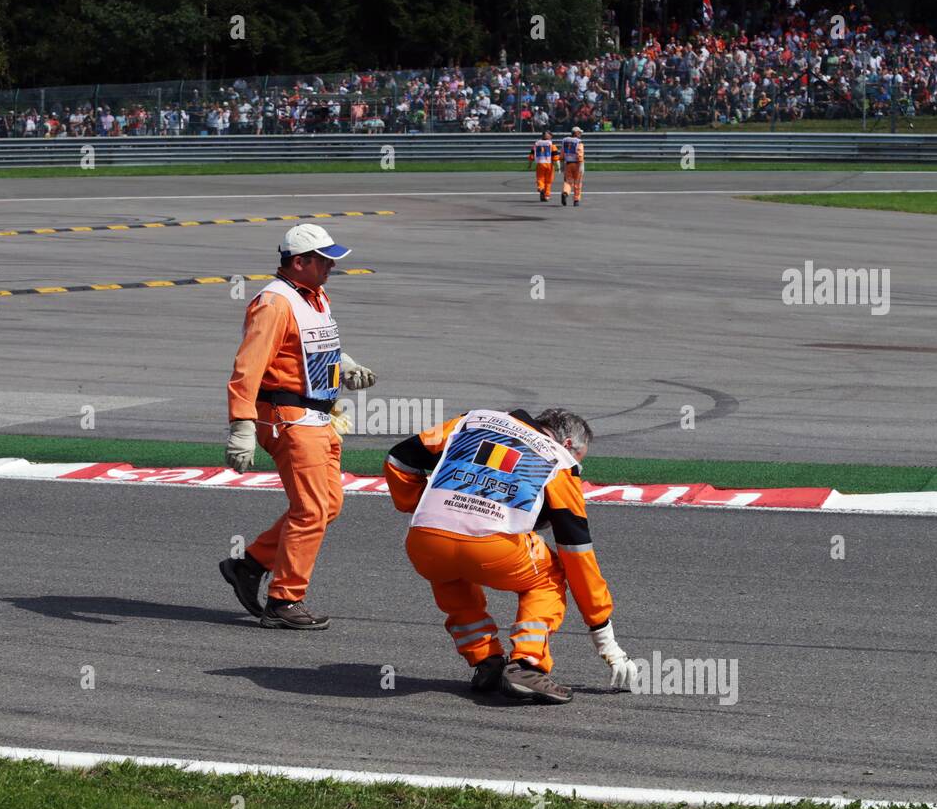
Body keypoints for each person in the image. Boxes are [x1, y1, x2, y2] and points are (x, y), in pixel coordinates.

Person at [384, 407, 639, 704]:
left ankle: (486, 661)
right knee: (550, 574)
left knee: (448, 573)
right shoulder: (559, 460)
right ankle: (527, 663)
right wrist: (605, 639)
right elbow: (577, 554)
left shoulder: (472, 420)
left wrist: (418, 503)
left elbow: (400, 458)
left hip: (425, 540)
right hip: (492, 547)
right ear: (567, 444)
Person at [220, 224, 377, 630]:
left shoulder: (315, 294)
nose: (331, 267)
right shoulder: (273, 303)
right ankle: (284, 601)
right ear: (299, 262)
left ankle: (250, 564)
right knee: (310, 510)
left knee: (328, 506)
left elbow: (316, 345)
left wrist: (347, 364)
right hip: (287, 419)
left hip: (319, 416)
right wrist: (241, 424)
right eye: (324, 260)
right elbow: (247, 367)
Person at [526, 130, 560, 201]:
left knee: (540, 178)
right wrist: (558, 167)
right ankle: (547, 195)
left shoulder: (536, 144)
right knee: (548, 181)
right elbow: (556, 157)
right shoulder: (552, 145)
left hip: (540, 164)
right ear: (550, 136)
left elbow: (531, 156)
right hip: (549, 164)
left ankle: (540, 188)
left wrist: (529, 165)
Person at [560, 125, 585, 206]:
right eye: (579, 133)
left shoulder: (565, 140)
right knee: (577, 183)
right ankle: (576, 200)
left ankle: (565, 192)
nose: (580, 134)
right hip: (577, 164)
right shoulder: (578, 141)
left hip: (568, 164)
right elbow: (580, 154)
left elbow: (562, 154)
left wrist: (562, 165)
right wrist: (581, 165)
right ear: (576, 133)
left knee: (568, 181)